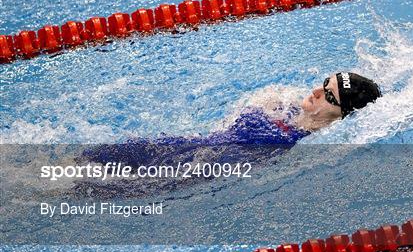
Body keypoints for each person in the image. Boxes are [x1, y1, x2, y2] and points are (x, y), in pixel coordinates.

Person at [83, 72, 381, 166]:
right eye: (324, 82)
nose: (316, 91)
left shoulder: (305, 143)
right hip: (191, 146)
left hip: (199, 170)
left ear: (340, 117)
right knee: (93, 157)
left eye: (328, 96)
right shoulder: (289, 110)